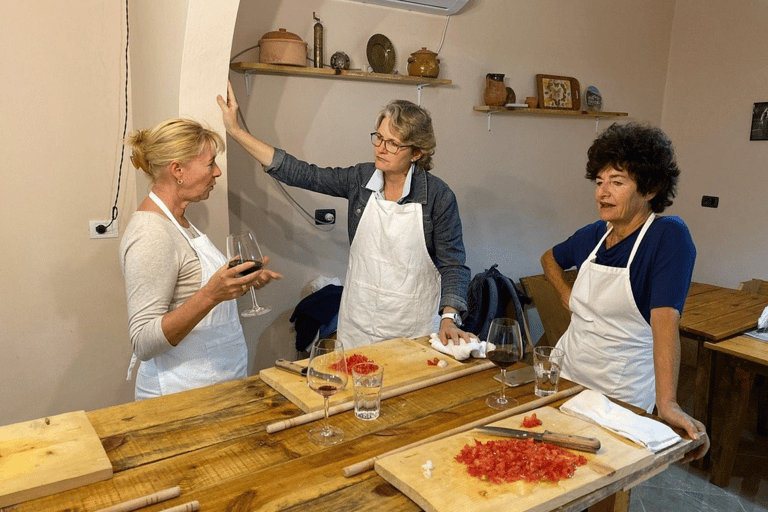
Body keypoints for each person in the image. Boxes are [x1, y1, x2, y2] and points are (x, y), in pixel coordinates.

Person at [217, 81, 470, 348]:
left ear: (417, 152)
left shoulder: (438, 197)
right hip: (359, 324)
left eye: (393, 144)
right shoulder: (360, 180)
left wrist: (449, 318)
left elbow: (453, 264)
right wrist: (235, 130)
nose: (380, 148)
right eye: (379, 137)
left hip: (412, 327)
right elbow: (301, 173)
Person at [540, 122, 708, 458]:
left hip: (619, 394)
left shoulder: (668, 236)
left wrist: (668, 403)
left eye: (617, 182)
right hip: (567, 377)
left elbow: (665, 322)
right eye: (600, 182)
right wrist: (563, 293)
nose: (602, 192)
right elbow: (549, 259)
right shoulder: (594, 235)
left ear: (650, 188)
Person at [120, 118, 282, 400]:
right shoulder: (150, 233)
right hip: (179, 396)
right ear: (178, 170)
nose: (217, 172)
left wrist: (238, 283)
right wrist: (211, 294)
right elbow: (143, 342)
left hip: (211, 388)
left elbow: (188, 290)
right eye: (210, 164)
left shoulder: (181, 223)